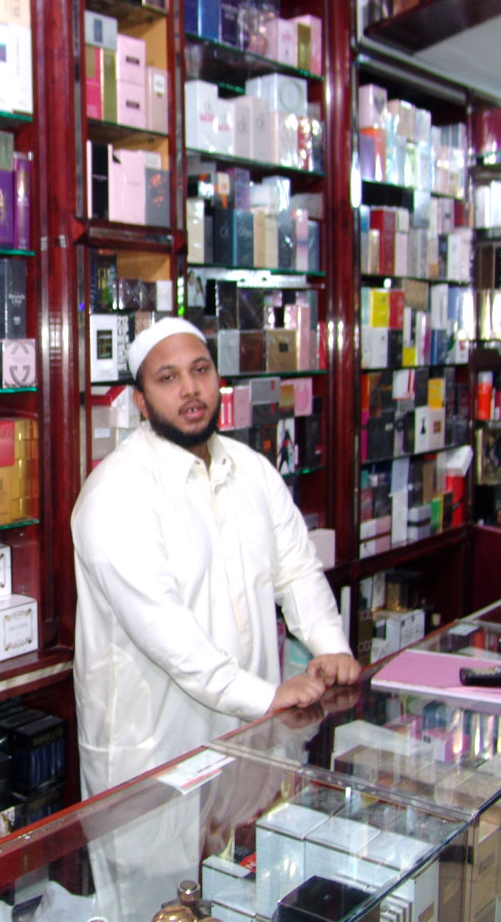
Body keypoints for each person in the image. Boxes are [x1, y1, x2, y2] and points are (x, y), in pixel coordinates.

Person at [71, 316, 360, 798]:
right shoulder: (116, 494)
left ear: (218, 379)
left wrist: (329, 645)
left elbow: (296, 569)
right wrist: (265, 696)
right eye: (168, 378)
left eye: (200, 370)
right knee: (164, 850)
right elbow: (167, 635)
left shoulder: (253, 470)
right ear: (141, 401)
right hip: (156, 759)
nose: (190, 389)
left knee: (247, 844)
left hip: (252, 738)